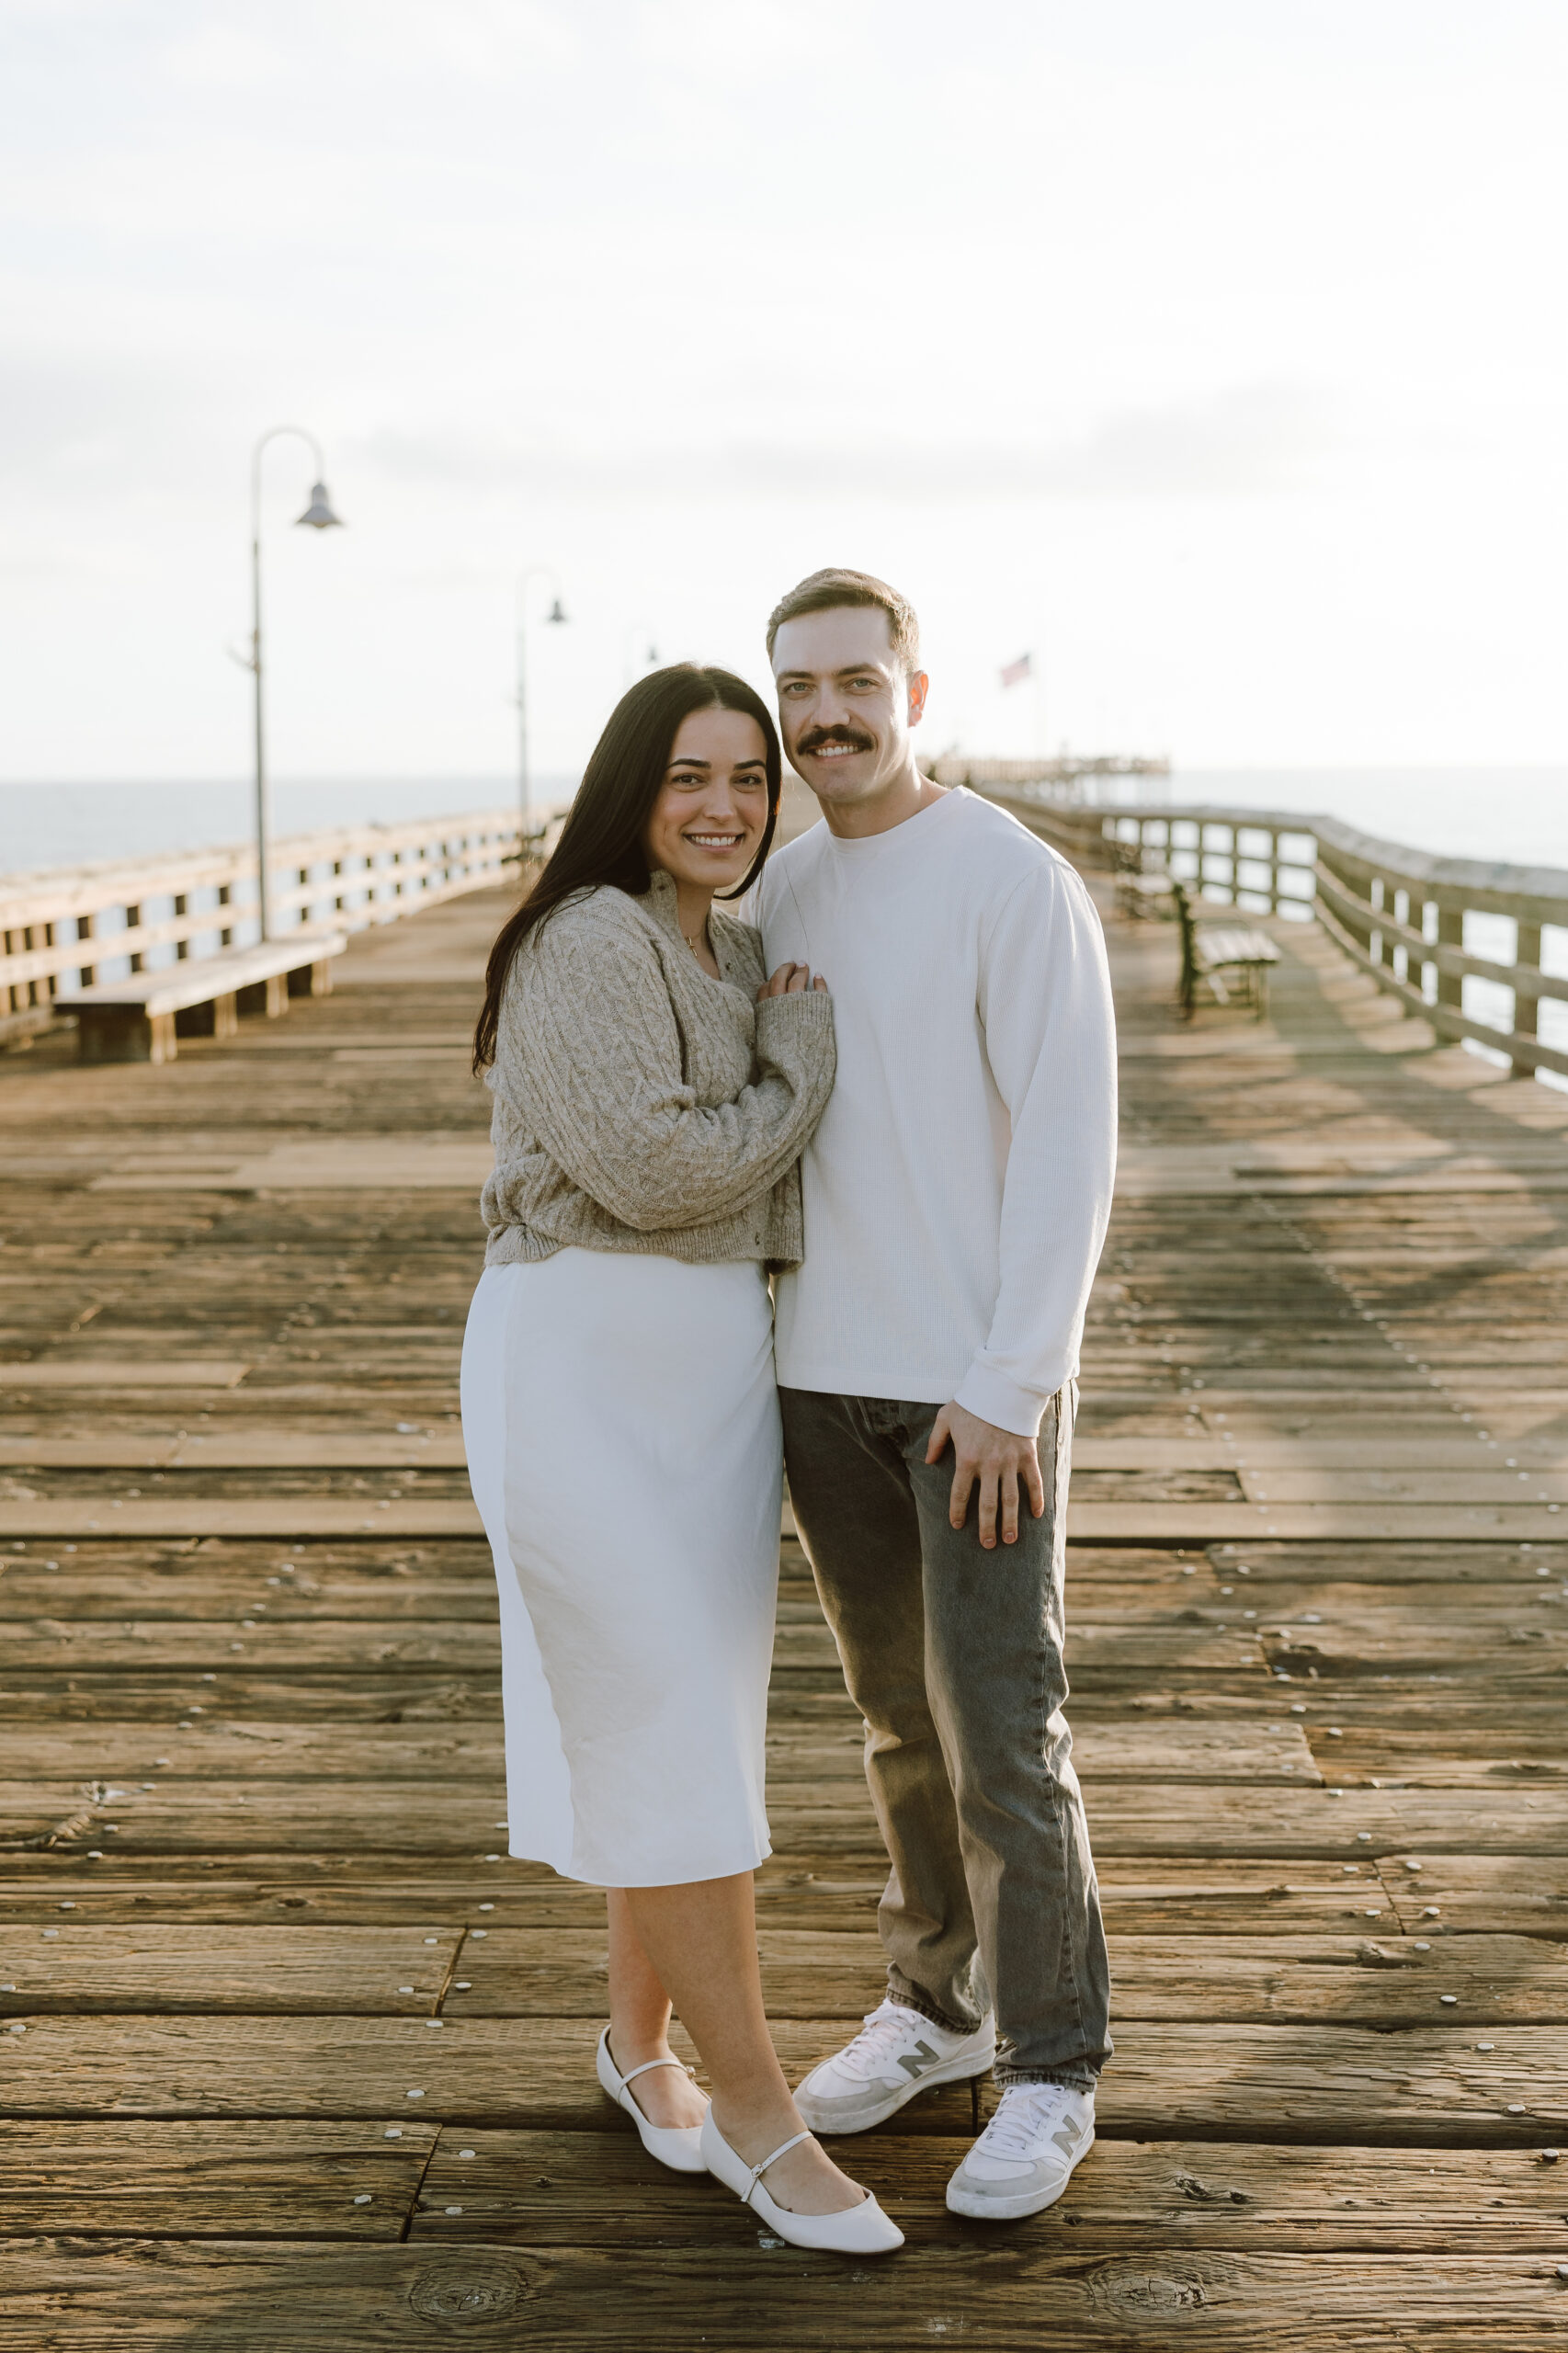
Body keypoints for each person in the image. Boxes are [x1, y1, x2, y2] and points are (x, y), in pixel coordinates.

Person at [462, 662, 901, 2256]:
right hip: (579, 1365)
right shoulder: (587, 939)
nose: (723, 806)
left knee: (689, 1729)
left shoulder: (728, 937)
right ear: (629, 789)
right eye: (687, 777)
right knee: (666, 1729)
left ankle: (635, 2046)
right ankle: (763, 2121)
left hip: (713, 1374)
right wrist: (798, 1080)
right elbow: (653, 1171)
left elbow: (713, 1183)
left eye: (748, 779)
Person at [752, 571, 1117, 2222]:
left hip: (974, 1398)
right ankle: (934, 2008)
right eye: (797, 690)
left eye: (852, 681)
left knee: (1002, 1735)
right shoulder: (779, 888)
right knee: (895, 1724)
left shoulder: (1010, 882)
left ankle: (1050, 2065)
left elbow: (1067, 1140)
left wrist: (1013, 1382)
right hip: (821, 1384)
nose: (824, 714)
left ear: (913, 685)